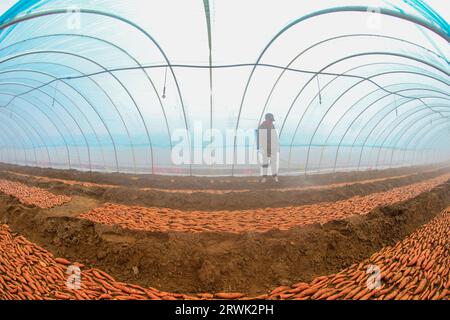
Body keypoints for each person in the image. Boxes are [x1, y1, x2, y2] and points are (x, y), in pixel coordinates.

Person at [257, 113, 279, 183]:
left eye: (272, 120)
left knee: (273, 163)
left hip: (273, 148)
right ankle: (264, 177)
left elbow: (275, 136)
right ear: (266, 119)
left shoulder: (272, 126)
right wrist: (262, 148)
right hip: (265, 147)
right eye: (270, 120)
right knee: (265, 163)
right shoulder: (261, 127)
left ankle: (275, 176)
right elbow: (259, 138)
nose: (271, 122)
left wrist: (276, 145)